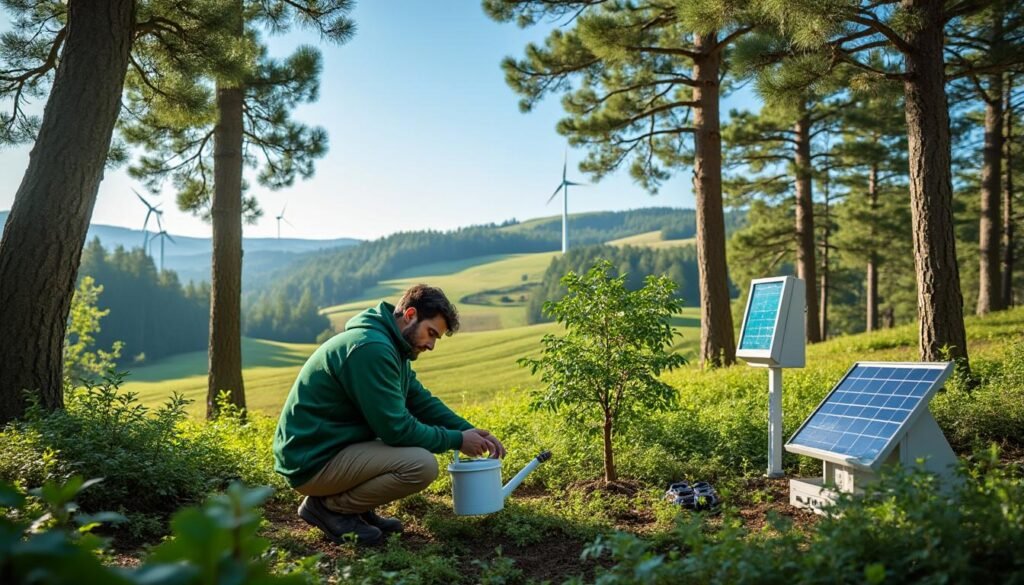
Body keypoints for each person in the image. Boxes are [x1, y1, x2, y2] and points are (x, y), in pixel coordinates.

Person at [272, 284, 506, 546]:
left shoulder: (392, 346)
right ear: (409, 315)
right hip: (311, 460)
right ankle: (331, 508)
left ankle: (356, 508)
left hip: (330, 447)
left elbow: (420, 402)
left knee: (409, 454)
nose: (430, 345)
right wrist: (456, 440)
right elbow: (396, 429)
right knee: (420, 465)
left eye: (435, 338)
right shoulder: (371, 349)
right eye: (430, 333)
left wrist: (471, 431)